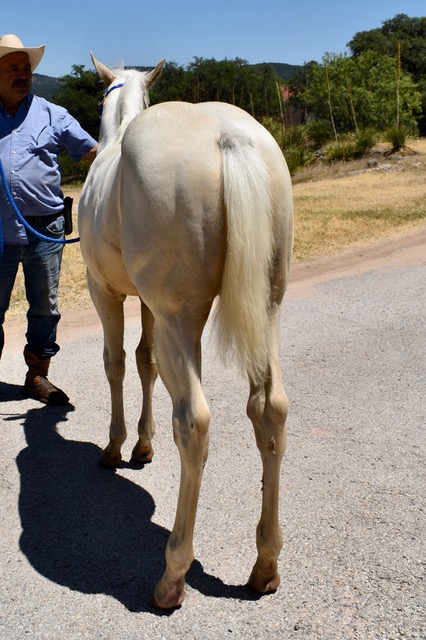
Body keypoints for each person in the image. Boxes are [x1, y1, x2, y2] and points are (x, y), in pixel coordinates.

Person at [0, 34, 98, 405]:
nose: (23, 74)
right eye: (13, 68)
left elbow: (94, 153)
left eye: (26, 68)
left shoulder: (53, 114)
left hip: (45, 230)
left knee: (45, 308)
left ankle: (37, 376)